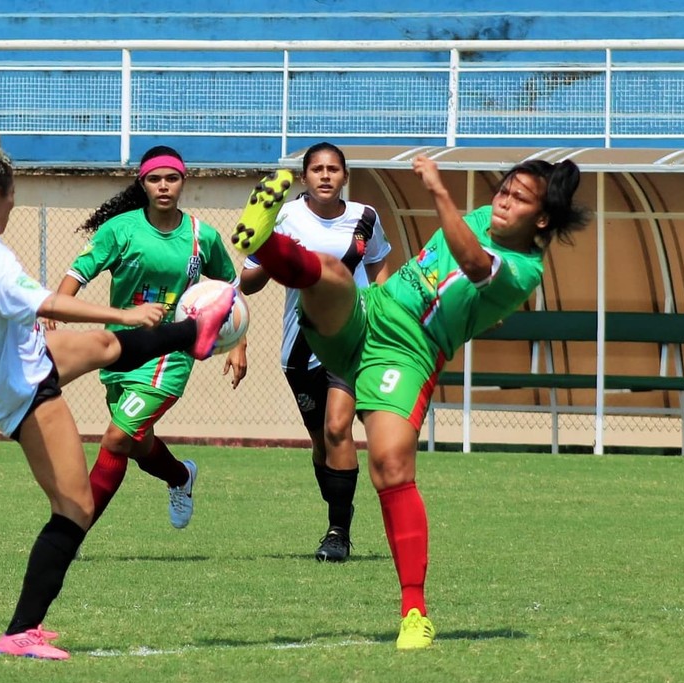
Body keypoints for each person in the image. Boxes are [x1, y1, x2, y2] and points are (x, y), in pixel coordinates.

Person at [0, 121, 235, 661]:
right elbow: (48, 304)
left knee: (105, 346)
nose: (12, 207)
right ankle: (21, 631)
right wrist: (123, 311)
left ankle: (193, 332)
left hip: (16, 357)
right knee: (75, 507)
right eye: (10, 198)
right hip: (20, 386)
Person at [231, 155, 588, 649]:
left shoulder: (524, 269)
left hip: (408, 351)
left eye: (518, 199)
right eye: (503, 190)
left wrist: (440, 193)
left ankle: (414, 613)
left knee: (391, 464)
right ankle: (263, 241)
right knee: (332, 273)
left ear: (541, 219)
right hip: (370, 312)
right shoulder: (484, 218)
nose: (503, 202)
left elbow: (472, 264)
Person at [57, 145, 246, 530]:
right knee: (138, 445)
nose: (164, 186)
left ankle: (71, 531)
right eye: (155, 179)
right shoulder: (120, 230)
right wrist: (54, 311)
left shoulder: (200, 236)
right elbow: (77, 274)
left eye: (171, 178)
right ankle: (180, 477)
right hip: (120, 353)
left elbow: (230, 289)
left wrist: (238, 343)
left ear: (183, 182)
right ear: (142, 183)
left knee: (114, 439)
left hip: (171, 356)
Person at [239, 143, 393, 563]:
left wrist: (379, 304)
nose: (325, 175)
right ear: (304, 177)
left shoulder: (365, 217)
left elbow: (379, 262)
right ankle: (338, 512)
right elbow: (248, 282)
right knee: (322, 442)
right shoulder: (286, 216)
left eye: (333, 169)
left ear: (345, 176)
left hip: (353, 338)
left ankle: (338, 532)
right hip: (301, 341)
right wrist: (271, 251)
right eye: (317, 169)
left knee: (339, 427)